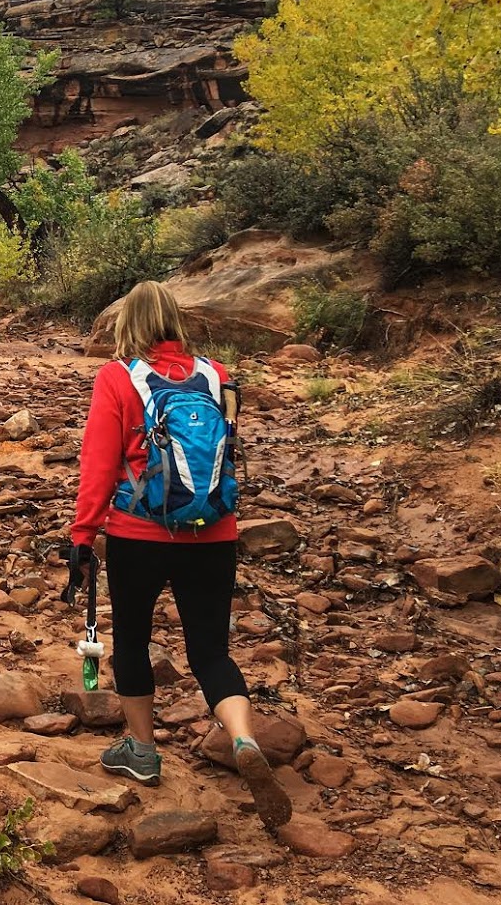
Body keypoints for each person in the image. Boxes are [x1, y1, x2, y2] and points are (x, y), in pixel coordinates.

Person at [65, 280, 292, 830]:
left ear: (127, 323)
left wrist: (82, 534)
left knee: (135, 642)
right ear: (175, 319)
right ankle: (241, 738)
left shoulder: (118, 377)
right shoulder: (216, 375)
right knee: (210, 651)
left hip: (138, 533)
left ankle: (142, 753)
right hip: (213, 534)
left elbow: (99, 465)